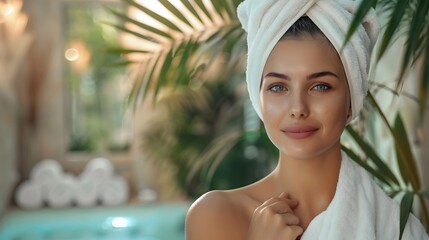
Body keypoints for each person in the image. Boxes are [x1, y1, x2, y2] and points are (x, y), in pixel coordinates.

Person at [185, 0, 429, 239]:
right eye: (278, 87)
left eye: (320, 86)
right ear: (258, 97)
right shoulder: (216, 216)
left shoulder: (397, 228)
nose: (297, 108)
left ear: (351, 99)